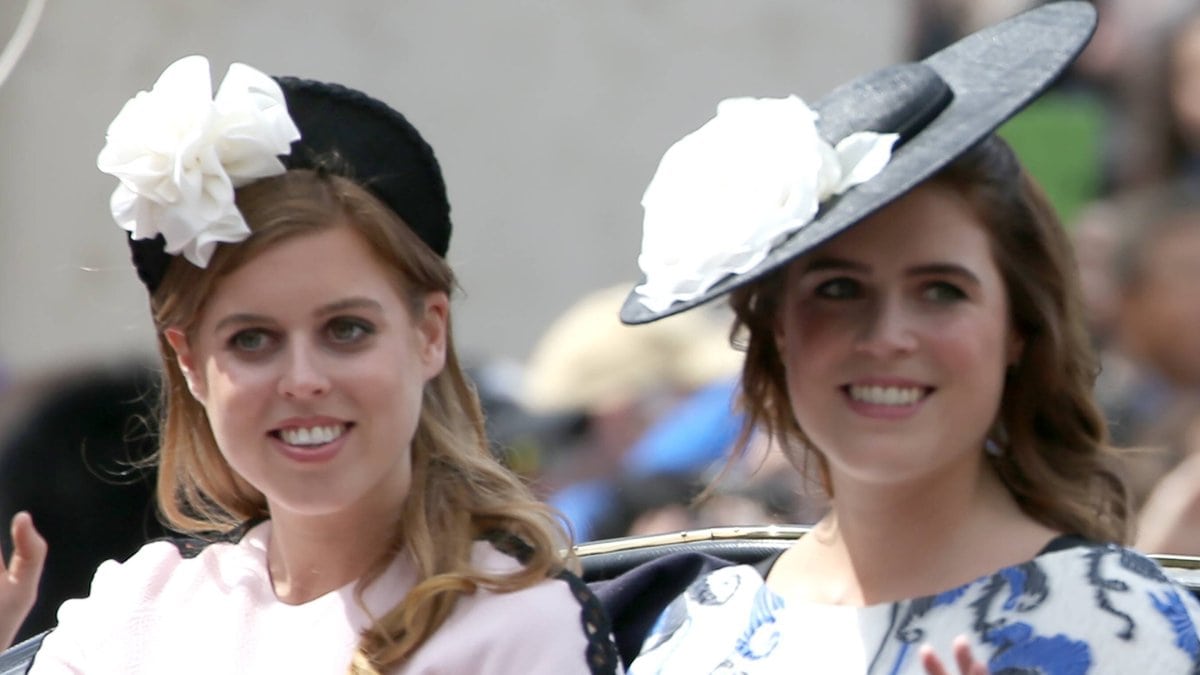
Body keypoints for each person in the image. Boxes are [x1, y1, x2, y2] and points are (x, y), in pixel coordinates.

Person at [600, 3, 1200, 673]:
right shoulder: (690, 635)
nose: (888, 336)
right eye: (838, 289)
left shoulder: (1130, 629)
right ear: (777, 331)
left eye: (941, 290)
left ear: (1017, 330)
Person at [27, 55, 617, 673]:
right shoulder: (131, 615)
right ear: (191, 362)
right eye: (252, 340)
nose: (303, 380)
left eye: (347, 330)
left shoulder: (513, 626)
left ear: (429, 334)